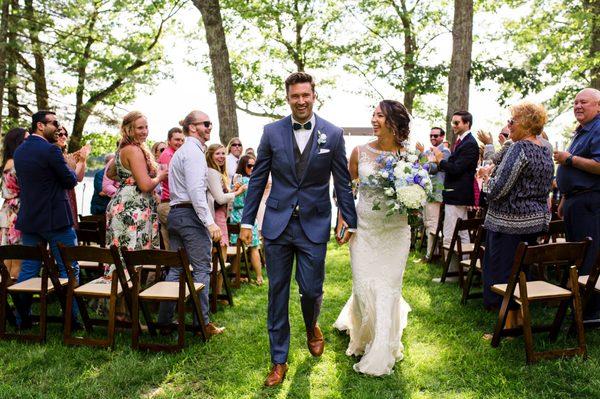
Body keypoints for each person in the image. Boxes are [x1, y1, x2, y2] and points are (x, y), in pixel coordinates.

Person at [240, 72, 357, 387]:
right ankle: (279, 360)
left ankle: (311, 325)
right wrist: (247, 221)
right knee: (277, 294)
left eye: (306, 95)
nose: (301, 101)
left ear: (314, 95)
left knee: (311, 289)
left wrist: (350, 219)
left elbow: (343, 182)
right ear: (288, 97)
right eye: (295, 96)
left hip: (315, 223)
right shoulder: (271, 132)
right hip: (277, 225)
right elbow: (258, 179)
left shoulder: (332, 134)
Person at [333, 100, 413, 376]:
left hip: (395, 232)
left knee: (388, 287)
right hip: (365, 229)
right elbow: (344, 190)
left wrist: (415, 196)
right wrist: (343, 221)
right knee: (363, 286)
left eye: (380, 115)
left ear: (394, 121)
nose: (374, 119)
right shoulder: (359, 152)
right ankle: (362, 333)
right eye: (374, 114)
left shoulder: (410, 155)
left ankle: (382, 348)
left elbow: (419, 192)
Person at [479, 101, 553, 329]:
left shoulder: (520, 149)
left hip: (508, 223)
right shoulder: (544, 148)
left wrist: (485, 181)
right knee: (521, 271)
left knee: (503, 273)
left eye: (513, 121)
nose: (509, 125)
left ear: (528, 124)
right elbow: (500, 159)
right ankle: (519, 319)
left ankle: (509, 327)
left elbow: (498, 189)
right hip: (533, 222)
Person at [157, 110, 225, 337]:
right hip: (189, 215)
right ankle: (201, 325)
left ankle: (164, 322)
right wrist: (209, 222)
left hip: (176, 214)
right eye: (206, 124)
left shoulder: (181, 152)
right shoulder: (194, 153)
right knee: (203, 269)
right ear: (193, 127)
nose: (209, 127)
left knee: (177, 268)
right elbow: (196, 191)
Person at [13, 110, 80, 328]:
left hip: (30, 219)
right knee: (69, 268)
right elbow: (70, 181)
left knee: (29, 269)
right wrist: (70, 164)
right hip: (56, 220)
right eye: (55, 123)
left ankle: (22, 319)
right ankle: (72, 320)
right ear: (40, 126)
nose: (58, 128)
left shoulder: (20, 151)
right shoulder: (51, 150)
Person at [555, 88, 600, 319]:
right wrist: (564, 198)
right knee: (578, 254)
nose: (578, 106)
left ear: (598, 106)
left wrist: (569, 159)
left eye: (584, 102)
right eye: (575, 103)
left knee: (589, 255)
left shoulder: (598, 128)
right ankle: (579, 304)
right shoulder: (581, 131)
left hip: (590, 202)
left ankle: (590, 311)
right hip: (574, 201)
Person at [105, 111, 166, 268]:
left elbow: (111, 173)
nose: (145, 131)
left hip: (122, 203)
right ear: (128, 130)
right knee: (130, 254)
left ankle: (119, 290)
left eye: (146, 127)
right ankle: (126, 290)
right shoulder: (133, 150)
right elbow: (145, 185)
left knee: (121, 254)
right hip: (132, 208)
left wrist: (129, 180)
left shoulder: (122, 148)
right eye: (140, 128)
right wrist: (159, 176)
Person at [431, 111, 479, 278]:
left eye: (457, 123)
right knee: (461, 232)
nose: (453, 126)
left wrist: (439, 160)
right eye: (452, 123)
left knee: (451, 232)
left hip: (458, 194)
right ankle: (463, 270)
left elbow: (457, 169)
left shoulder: (470, 144)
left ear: (467, 123)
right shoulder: (461, 142)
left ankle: (453, 273)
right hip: (455, 194)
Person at [206, 143, 246, 296]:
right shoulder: (211, 172)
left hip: (221, 216)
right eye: (218, 154)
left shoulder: (218, 173)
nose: (221, 156)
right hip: (215, 217)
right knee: (218, 257)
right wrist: (238, 193)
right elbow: (220, 199)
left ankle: (217, 292)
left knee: (221, 257)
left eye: (223, 154)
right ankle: (215, 294)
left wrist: (233, 190)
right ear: (210, 155)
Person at [416, 127, 450, 260]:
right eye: (431, 136)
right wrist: (422, 155)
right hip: (428, 192)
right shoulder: (430, 151)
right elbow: (424, 166)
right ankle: (433, 252)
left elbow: (434, 168)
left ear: (442, 137)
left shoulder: (444, 151)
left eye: (435, 136)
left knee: (432, 223)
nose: (432, 138)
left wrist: (425, 159)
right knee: (427, 222)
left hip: (436, 192)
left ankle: (429, 255)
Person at [230, 154, 263, 285]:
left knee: (238, 248)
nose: (253, 168)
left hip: (236, 215)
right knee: (254, 247)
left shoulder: (236, 180)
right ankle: (259, 277)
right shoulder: (249, 181)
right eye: (249, 165)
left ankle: (233, 277)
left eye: (255, 165)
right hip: (247, 215)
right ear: (243, 166)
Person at [0, 127, 27, 279]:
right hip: (16, 211)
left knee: (7, 257)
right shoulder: (17, 163)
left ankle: (5, 295)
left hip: (7, 210)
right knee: (17, 257)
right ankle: (17, 297)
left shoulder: (8, 161)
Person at [55, 126, 91, 228]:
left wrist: (82, 160)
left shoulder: (68, 156)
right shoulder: (56, 156)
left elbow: (79, 178)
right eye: (60, 134)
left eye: (65, 134)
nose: (63, 137)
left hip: (70, 194)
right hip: (60, 194)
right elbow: (72, 179)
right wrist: (81, 161)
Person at [157, 127, 185, 250]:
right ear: (169, 140)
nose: (179, 142)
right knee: (176, 242)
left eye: (182, 140)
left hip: (171, 202)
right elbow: (174, 179)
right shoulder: (168, 155)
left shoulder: (175, 153)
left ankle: (173, 268)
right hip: (168, 203)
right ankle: (175, 268)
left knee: (171, 242)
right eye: (176, 140)